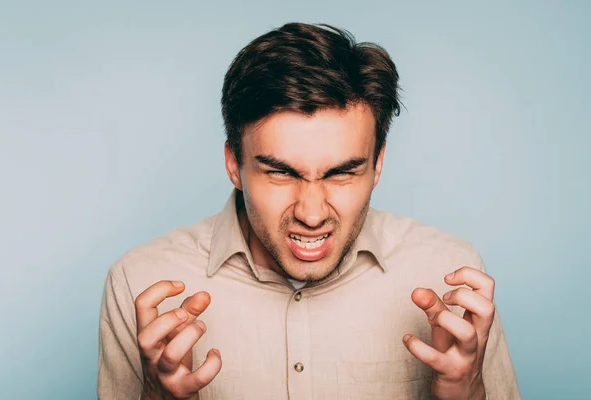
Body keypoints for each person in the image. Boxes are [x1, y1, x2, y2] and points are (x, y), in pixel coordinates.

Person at [98, 22, 520, 400]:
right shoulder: (138, 281)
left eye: (342, 173)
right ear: (234, 165)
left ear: (378, 164)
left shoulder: (449, 274)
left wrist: (468, 395)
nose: (313, 215)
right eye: (281, 173)